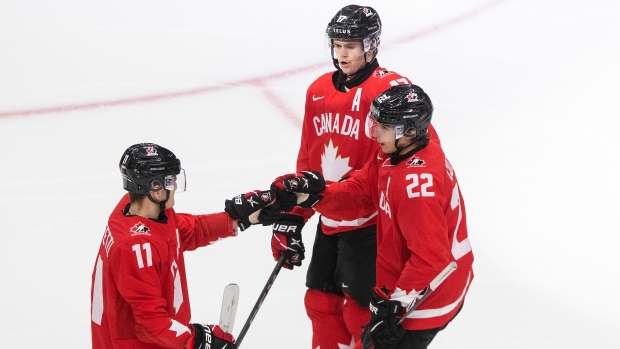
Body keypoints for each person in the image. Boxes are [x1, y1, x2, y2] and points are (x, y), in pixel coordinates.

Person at [266, 5, 439, 349]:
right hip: (329, 216)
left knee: (362, 314)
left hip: (371, 224)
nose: (341, 54)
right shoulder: (317, 90)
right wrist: (293, 217)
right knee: (320, 302)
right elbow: (308, 158)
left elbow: (398, 159)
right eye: (337, 45)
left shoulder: (390, 90)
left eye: (351, 46)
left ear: (371, 45)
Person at [271, 84, 474, 349]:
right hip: (417, 282)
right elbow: (361, 188)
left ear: (410, 131)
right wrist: (316, 195)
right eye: (375, 123)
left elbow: (430, 259)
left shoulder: (416, 186)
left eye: (385, 127)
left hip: (429, 296)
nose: (375, 132)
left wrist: (393, 306)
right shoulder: (400, 151)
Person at [90, 143, 274, 349]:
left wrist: (235, 218)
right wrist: (198, 340)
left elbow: (184, 232)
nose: (175, 186)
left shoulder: (141, 210)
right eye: (170, 180)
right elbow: (151, 324)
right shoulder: (135, 247)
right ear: (155, 189)